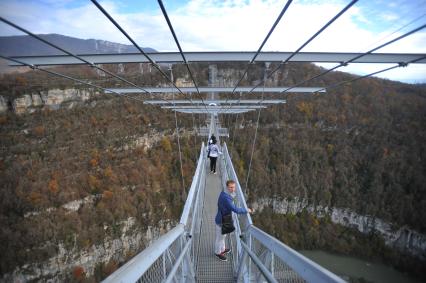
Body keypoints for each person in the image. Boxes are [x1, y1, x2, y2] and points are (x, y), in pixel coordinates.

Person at [214, 180, 253, 261]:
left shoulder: (224, 192)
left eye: (234, 187)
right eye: (231, 187)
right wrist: (247, 210)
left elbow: (231, 198)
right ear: (227, 187)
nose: (233, 189)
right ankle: (218, 253)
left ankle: (222, 249)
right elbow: (236, 210)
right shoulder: (226, 198)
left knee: (223, 236)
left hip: (223, 218)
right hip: (221, 221)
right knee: (220, 238)